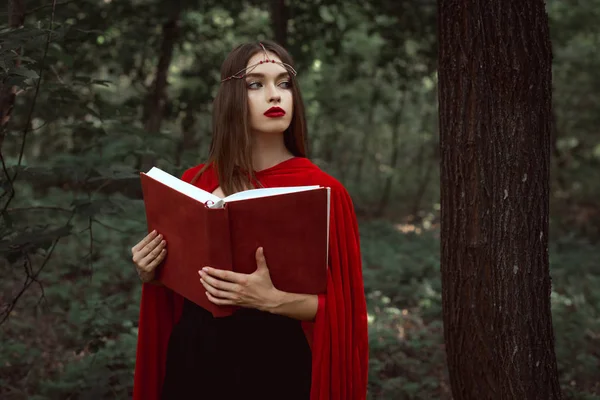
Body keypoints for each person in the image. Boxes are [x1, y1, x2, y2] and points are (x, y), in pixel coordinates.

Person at [131, 40, 368, 400]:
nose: (275, 95)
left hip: (274, 364)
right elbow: (180, 286)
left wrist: (271, 300)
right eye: (255, 84)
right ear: (232, 98)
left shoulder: (323, 190)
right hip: (193, 361)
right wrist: (153, 272)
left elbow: (344, 312)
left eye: (283, 83)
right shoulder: (195, 181)